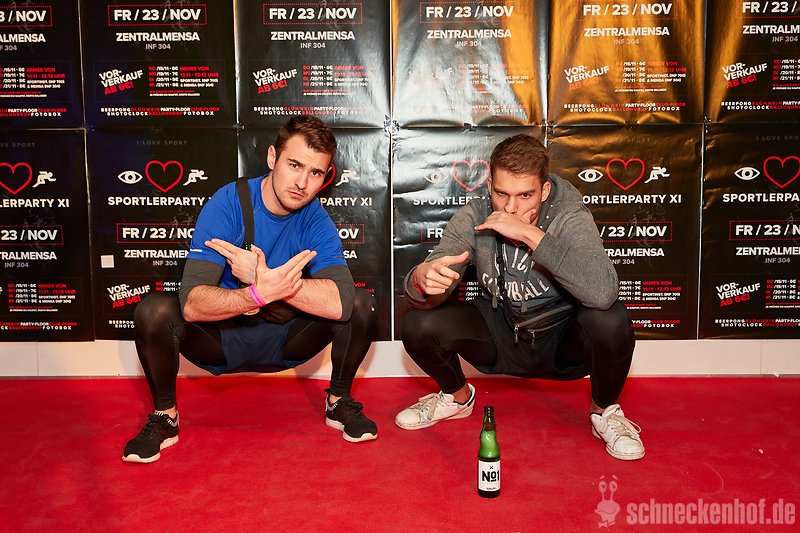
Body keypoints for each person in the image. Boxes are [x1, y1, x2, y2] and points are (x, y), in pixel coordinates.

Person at [123, 115, 378, 463]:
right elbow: (192, 305)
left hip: (285, 338)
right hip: (222, 338)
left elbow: (342, 304)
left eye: (316, 173)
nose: (302, 182)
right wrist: (255, 294)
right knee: (154, 311)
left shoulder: (315, 218)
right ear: (272, 158)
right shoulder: (229, 203)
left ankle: (338, 402)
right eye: (294, 165)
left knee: (362, 303)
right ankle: (165, 417)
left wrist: (265, 277)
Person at [395, 134, 644, 460]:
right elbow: (436, 271)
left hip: (559, 336)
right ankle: (457, 399)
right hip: (501, 328)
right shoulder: (476, 215)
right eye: (502, 194)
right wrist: (421, 278)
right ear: (490, 186)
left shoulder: (568, 215)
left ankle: (604, 413)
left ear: (544, 190)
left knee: (611, 319)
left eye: (525, 195)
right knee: (417, 324)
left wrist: (531, 234)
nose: (511, 208)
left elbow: (602, 291)